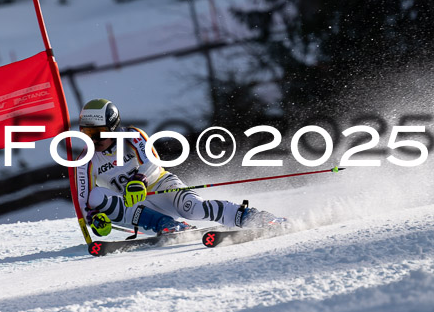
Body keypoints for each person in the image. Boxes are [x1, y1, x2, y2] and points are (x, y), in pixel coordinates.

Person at [75, 98, 284, 237]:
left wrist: (139, 179)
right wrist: (94, 219)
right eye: (87, 133)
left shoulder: (132, 136)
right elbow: (84, 202)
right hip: (138, 210)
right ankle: (165, 225)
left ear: (113, 126)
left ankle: (254, 217)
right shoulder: (85, 160)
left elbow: (153, 161)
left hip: (161, 187)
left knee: (194, 209)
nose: (93, 139)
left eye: (98, 133)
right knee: (97, 197)